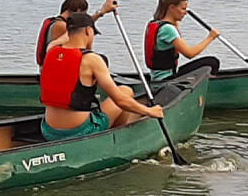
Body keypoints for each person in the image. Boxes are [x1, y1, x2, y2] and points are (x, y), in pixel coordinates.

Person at [40, 12, 163, 141]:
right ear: (88, 31)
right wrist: (150, 111)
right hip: (80, 131)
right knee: (125, 91)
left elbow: (61, 40)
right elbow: (120, 101)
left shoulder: (51, 51)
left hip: (48, 131)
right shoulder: (91, 59)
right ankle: (118, 139)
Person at [145, 0, 221, 81]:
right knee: (212, 62)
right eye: (183, 9)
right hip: (166, 79)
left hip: (160, 76)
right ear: (172, 8)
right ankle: (209, 86)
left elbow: (176, 49)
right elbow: (190, 53)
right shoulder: (168, 29)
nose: (185, 13)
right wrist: (210, 37)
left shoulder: (156, 23)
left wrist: (176, 24)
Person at [35, 0, 118, 67]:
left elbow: (83, 25)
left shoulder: (57, 22)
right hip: (55, 67)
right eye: (84, 14)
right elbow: (80, 29)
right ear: (78, 10)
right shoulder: (61, 25)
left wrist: (102, 12)